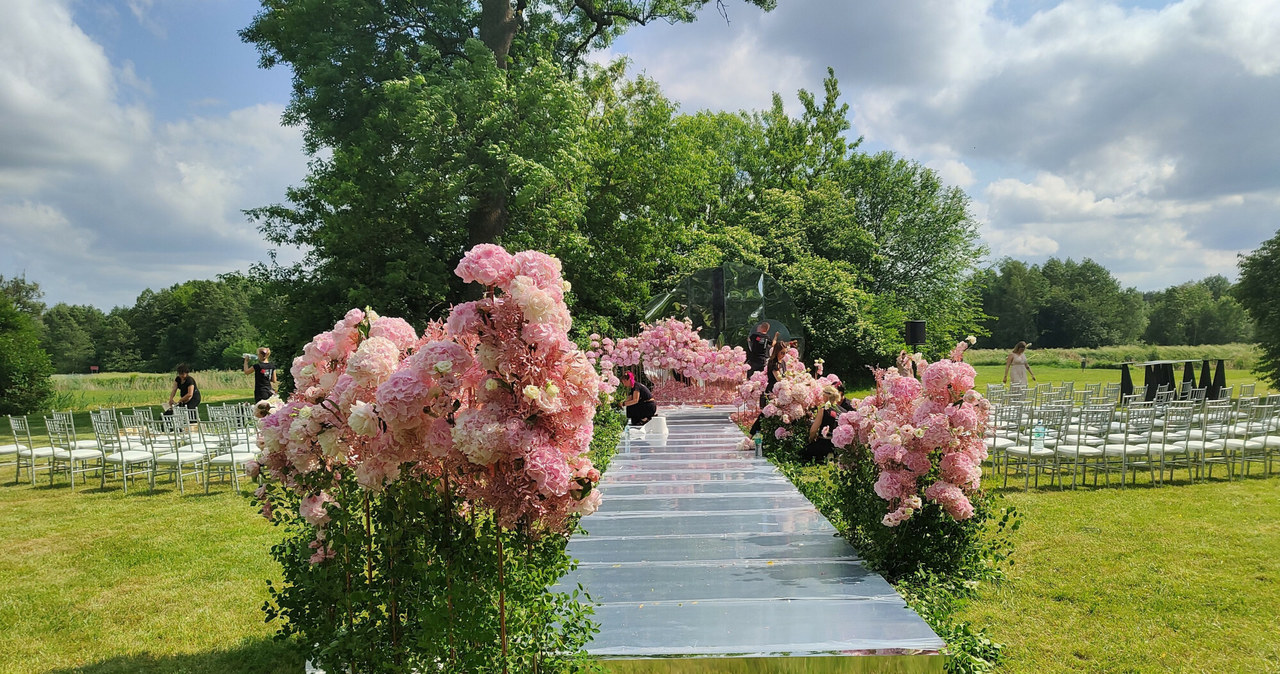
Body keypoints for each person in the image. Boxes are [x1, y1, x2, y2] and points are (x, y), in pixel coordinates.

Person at [749, 336, 788, 436]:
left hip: (780, 392)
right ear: (777, 352)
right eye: (782, 353)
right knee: (765, 414)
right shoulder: (773, 363)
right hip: (772, 392)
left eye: (785, 353)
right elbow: (778, 378)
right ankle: (751, 434)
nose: (783, 355)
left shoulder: (783, 363)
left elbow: (785, 375)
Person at [801, 385, 843, 463]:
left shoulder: (824, 410)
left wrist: (810, 439)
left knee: (804, 452)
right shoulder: (842, 411)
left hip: (825, 442)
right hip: (838, 444)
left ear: (826, 397)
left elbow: (813, 430)